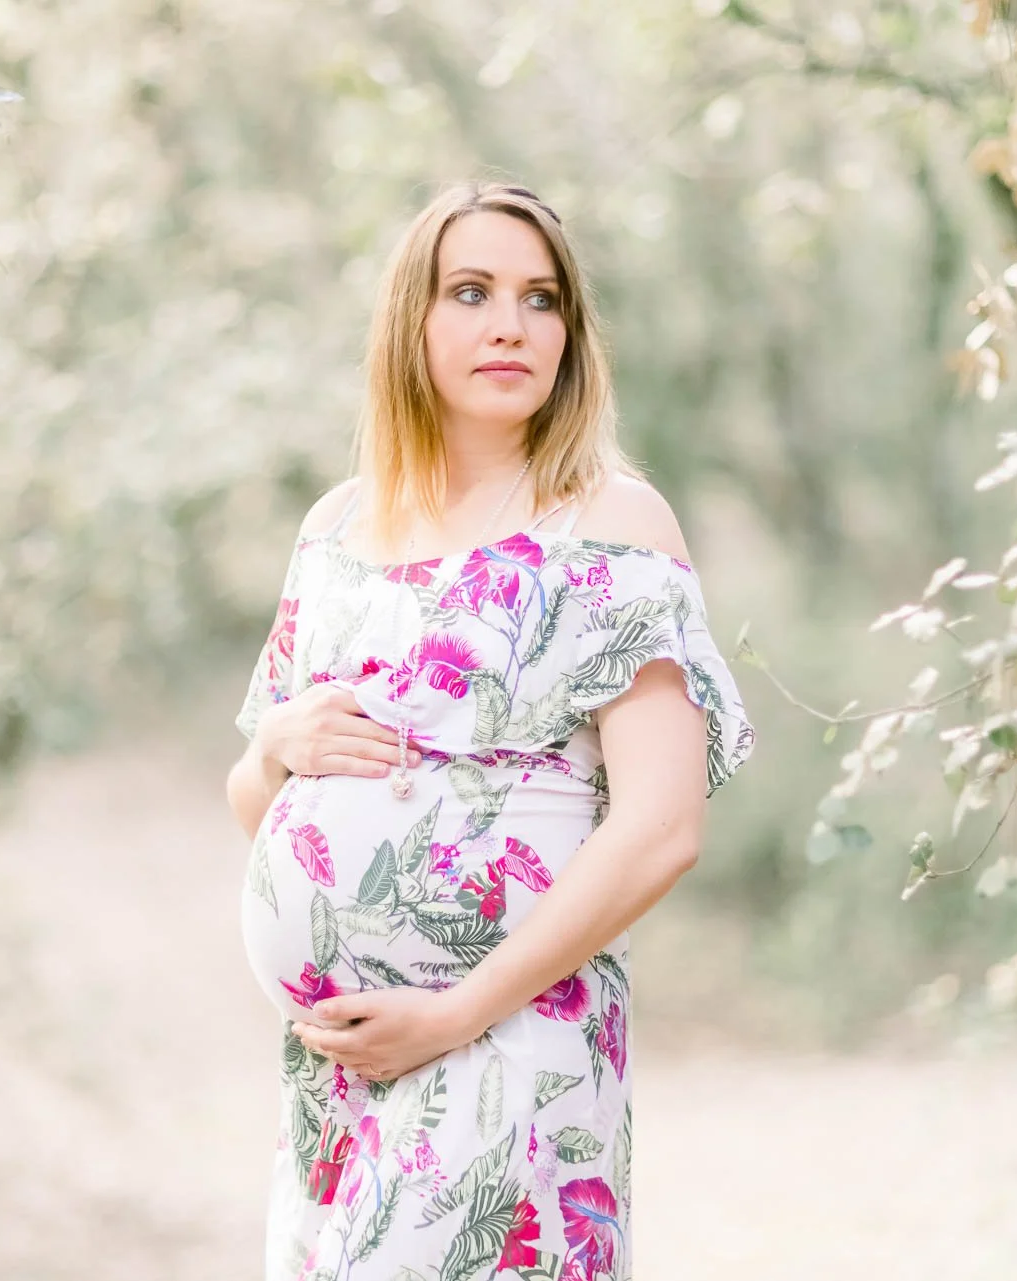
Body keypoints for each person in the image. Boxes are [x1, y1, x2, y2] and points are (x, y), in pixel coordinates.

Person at [224, 178, 756, 1281]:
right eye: (471, 291)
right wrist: (275, 744)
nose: (511, 324)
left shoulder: (611, 523)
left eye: (541, 299)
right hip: (340, 1076)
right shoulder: (335, 528)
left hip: (510, 1036)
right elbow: (258, 808)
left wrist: (454, 1013)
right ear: (409, 322)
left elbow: (662, 829)